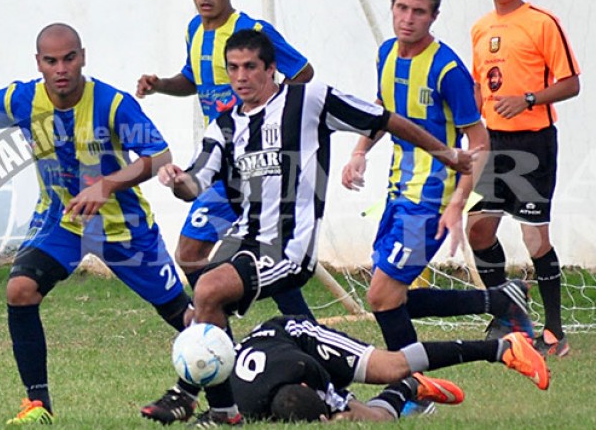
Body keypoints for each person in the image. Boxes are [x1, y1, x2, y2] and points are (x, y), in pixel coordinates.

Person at [143, 28, 476, 427]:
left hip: (289, 247)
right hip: (245, 238)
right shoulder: (225, 124)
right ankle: (220, 409)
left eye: (250, 67)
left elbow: (385, 119)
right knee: (205, 302)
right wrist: (178, 181)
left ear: (272, 69)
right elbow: (196, 181)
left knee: (209, 290)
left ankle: (194, 398)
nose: (241, 77)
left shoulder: (309, 100)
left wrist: (447, 154)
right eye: (233, 68)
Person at [0, 23, 191, 425]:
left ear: (83, 57)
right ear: (39, 63)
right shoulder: (22, 99)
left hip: (122, 226)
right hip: (61, 222)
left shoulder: (112, 104)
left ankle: (230, 388)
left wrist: (107, 185)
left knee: (184, 317)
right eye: (51, 61)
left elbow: (159, 157)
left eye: (69, 58)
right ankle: (38, 405)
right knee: (20, 290)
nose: (61, 69)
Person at [341, 0, 534, 415]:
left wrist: (456, 203)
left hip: (430, 199)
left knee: (382, 295)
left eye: (419, 12)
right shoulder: (386, 54)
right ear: (392, 8)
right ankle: (500, 299)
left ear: (434, 17)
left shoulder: (447, 70)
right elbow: (382, 113)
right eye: (402, 8)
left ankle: (414, 391)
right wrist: (359, 152)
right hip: (397, 192)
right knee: (392, 296)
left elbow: (479, 143)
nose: (408, 19)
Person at [135, 0, 314, 319]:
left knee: (259, 253)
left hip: (256, 164)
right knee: (191, 252)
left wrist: (270, 112)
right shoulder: (194, 30)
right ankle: (222, 332)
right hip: (220, 164)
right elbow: (193, 79)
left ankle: (298, 330)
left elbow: (303, 72)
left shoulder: (252, 32)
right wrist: (161, 85)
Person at [467, 0, 581, 357]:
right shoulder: (480, 28)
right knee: (478, 230)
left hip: (533, 143)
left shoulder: (542, 23)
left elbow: (571, 84)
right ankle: (507, 313)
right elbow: (480, 86)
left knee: (534, 238)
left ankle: (555, 333)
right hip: (494, 144)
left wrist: (529, 98)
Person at [230, 315, 549, 422]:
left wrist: (343, 414)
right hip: (273, 362)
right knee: (375, 419)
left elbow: (338, 408)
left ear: (305, 387)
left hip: (296, 337)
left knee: (388, 367)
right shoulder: (244, 407)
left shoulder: (308, 372)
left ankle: (503, 348)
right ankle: (411, 387)